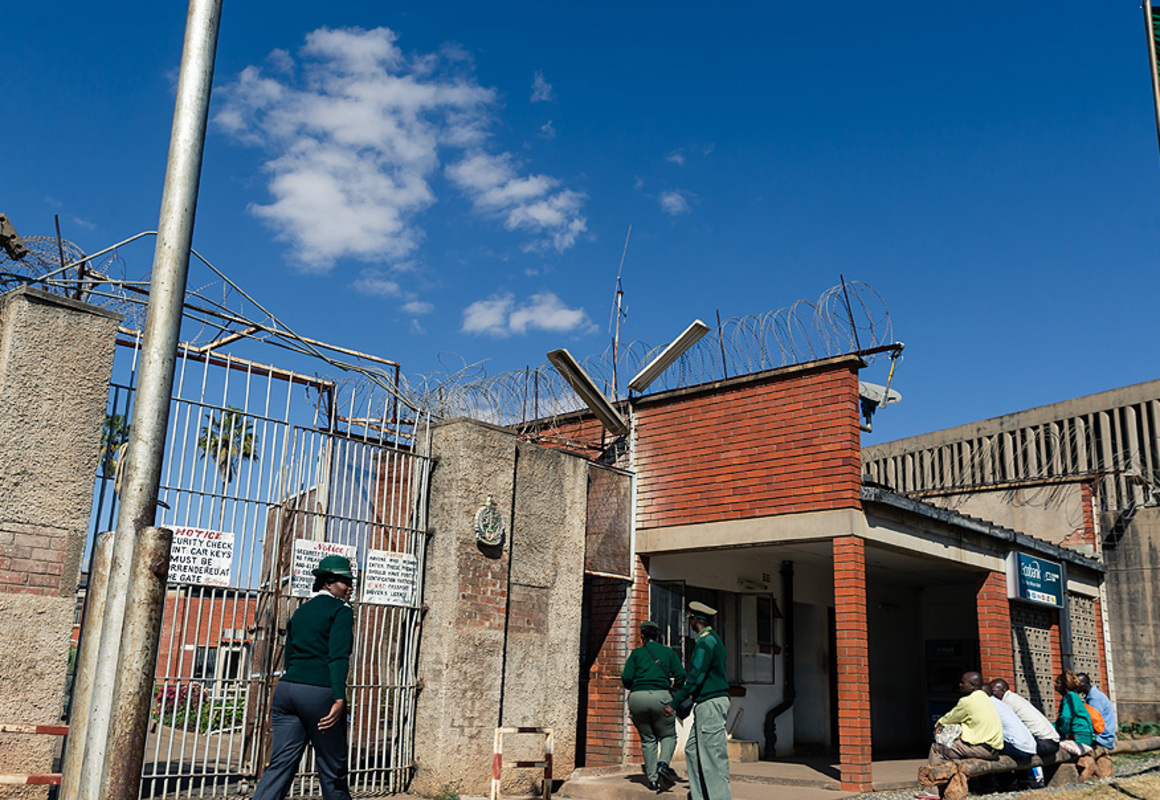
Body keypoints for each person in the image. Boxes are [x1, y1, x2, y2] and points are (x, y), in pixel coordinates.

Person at [253, 554, 355, 800]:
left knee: (280, 764)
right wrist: (340, 699)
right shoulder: (341, 610)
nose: (350, 587)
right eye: (344, 581)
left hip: (286, 691)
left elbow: (288, 654)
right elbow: (338, 658)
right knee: (332, 769)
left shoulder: (301, 611)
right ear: (327, 582)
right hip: (319, 693)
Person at [663, 602, 731, 800]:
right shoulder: (713, 640)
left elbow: (696, 676)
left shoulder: (705, 642)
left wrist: (674, 704)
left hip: (710, 703)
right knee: (692, 750)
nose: (689, 625)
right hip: (707, 704)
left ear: (695, 620)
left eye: (690, 620)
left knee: (713, 759)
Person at [622, 620, 686, 792]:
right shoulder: (667, 652)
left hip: (637, 698)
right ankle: (663, 765)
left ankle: (651, 780)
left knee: (648, 739)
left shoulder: (636, 654)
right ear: (658, 636)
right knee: (668, 735)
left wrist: (638, 686)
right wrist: (673, 689)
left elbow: (626, 678)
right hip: (661, 697)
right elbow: (681, 675)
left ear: (642, 635)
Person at [926, 672, 1004, 765]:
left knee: (937, 748)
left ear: (972, 686)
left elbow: (950, 718)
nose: (960, 685)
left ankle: (933, 777)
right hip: (994, 750)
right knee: (957, 745)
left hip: (982, 750)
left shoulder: (967, 701)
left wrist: (939, 724)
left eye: (963, 683)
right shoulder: (986, 698)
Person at [990, 679, 1061, 758]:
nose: (991, 695)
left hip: (1043, 743)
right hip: (1052, 742)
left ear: (1003, 690)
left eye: (993, 691)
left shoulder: (1007, 702)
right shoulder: (1015, 698)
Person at [1054, 669, 1094, 752]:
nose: (1055, 685)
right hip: (1084, 736)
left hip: (1079, 737)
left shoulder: (1069, 698)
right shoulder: (1074, 696)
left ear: (1064, 685)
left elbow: (1065, 718)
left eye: (1057, 683)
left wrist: (1065, 733)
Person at [1078, 673, 1116, 750]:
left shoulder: (1094, 699)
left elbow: (1094, 723)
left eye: (1078, 685)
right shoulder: (1093, 696)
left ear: (1085, 685)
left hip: (1102, 738)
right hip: (1103, 735)